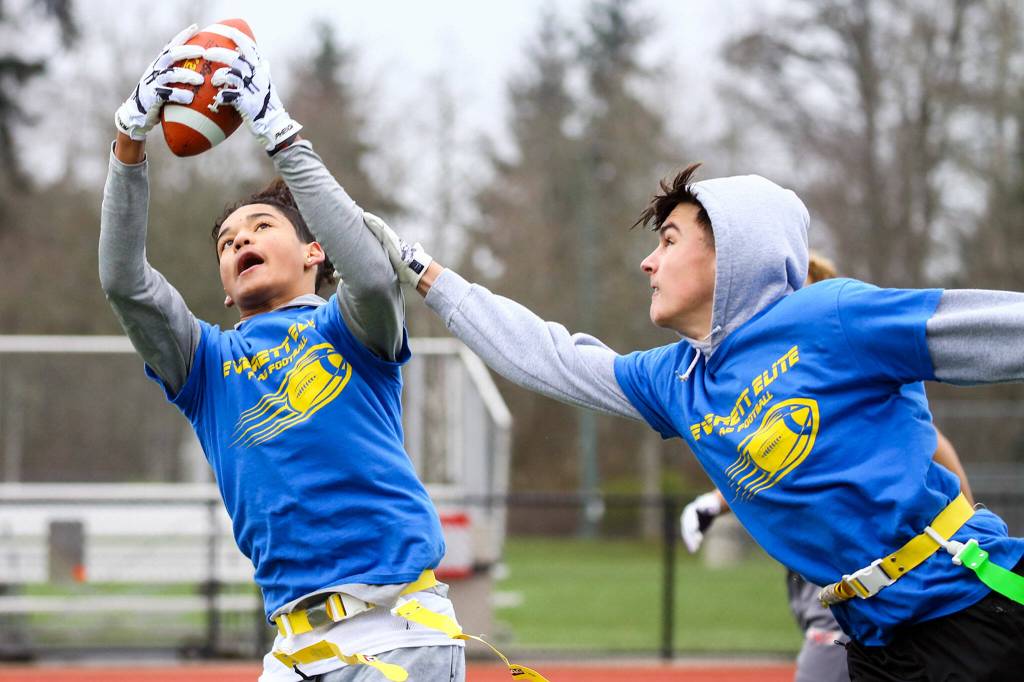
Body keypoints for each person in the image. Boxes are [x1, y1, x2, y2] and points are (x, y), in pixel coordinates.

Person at [363, 162, 1024, 681]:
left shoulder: (835, 318)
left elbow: (999, 333)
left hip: (974, 609)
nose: (649, 262)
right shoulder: (673, 380)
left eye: (670, 240)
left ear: (732, 252)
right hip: (874, 639)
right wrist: (425, 274)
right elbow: (548, 356)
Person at [100, 25, 465, 682]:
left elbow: (377, 275)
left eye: (261, 227)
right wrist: (129, 143)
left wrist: (279, 133)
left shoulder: (350, 329)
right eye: (226, 242)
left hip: (397, 632)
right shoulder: (205, 367)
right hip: (293, 651)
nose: (240, 241)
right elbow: (124, 283)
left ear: (313, 251)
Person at [679, 252, 976, 682]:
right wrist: (712, 504)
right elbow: (766, 463)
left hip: (863, 588)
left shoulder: (840, 370)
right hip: (823, 582)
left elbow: (937, 447)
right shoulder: (773, 381)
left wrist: (960, 535)